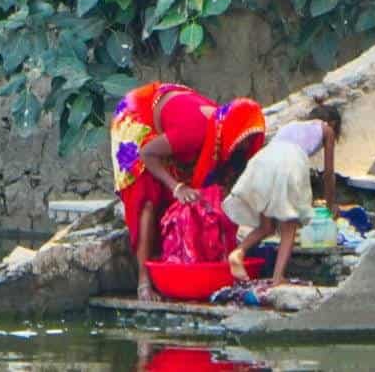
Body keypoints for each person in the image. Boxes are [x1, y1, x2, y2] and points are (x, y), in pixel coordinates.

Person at [110, 82, 266, 301]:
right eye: (243, 140)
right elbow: (147, 153)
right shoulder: (194, 132)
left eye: (249, 141)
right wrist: (177, 187)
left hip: (169, 121)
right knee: (148, 198)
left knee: (198, 201)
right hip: (137, 113)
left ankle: (170, 261)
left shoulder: (221, 133)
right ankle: (144, 282)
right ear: (230, 132)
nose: (243, 146)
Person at [223, 105, 340, 286]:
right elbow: (329, 172)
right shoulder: (327, 129)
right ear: (332, 122)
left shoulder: (291, 126)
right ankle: (278, 278)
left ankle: (238, 252)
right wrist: (330, 204)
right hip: (289, 162)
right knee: (289, 225)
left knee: (267, 227)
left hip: (263, 160)